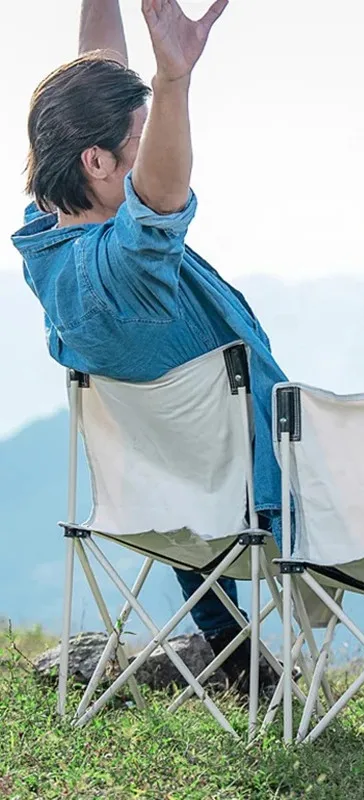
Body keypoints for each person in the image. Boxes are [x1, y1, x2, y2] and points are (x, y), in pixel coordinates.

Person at [12, 0, 287, 691]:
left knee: (184, 435)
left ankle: (225, 641)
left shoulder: (51, 236)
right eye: (142, 139)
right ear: (100, 161)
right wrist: (172, 84)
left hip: (171, 497)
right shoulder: (122, 275)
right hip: (264, 494)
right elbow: (159, 201)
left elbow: (94, 81)